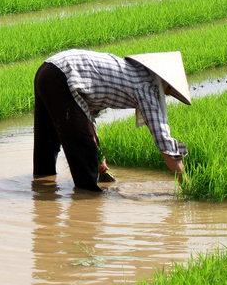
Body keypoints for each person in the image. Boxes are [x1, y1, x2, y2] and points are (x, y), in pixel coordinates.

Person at [33, 49, 191, 191]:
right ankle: (87, 205)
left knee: (46, 145)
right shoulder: (145, 87)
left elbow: (85, 115)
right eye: (171, 90)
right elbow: (164, 141)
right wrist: (186, 183)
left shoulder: (133, 72)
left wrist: (99, 157)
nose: (169, 93)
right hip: (61, 77)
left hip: (47, 71)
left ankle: (41, 194)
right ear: (166, 82)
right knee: (84, 158)